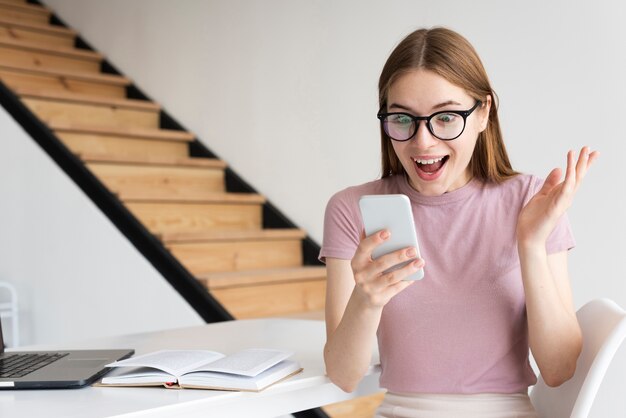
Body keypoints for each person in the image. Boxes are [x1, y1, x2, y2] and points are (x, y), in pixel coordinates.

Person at [319, 27, 599, 418]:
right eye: (403, 119)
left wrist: (531, 245)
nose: (423, 142)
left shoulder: (531, 201)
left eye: (446, 117)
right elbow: (343, 377)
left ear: (483, 113)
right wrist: (366, 301)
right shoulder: (352, 209)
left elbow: (558, 370)